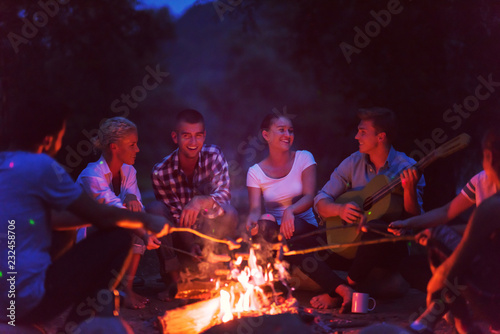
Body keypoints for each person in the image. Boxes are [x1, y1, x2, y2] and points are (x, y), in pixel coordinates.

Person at [0, 100, 169, 331]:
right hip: (27, 300)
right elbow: (103, 216)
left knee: (66, 227)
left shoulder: (6, 165)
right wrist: (147, 221)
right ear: (49, 139)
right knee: (119, 235)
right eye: (61, 135)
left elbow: (58, 219)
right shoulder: (41, 166)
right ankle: (78, 325)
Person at [313, 107, 425, 306]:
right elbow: (322, 198)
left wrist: (409, 190)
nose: (356, 137)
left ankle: (337, 294)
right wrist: (339, 210)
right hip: (351, 245)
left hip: (385, 250)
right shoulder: (352, 162)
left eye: (363, 132)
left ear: (381, 137)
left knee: (375, 227)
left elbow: (415, 219)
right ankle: (350, 285)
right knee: (301, 242)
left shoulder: (406, 166)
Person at [246, 113, 354, 313]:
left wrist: (290, 210)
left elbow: (309, 196)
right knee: (264, 223)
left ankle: (338, 289)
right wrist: (251, 223)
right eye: (281, 130)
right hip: (276, 241)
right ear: (266, 135)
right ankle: (273, 287)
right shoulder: (255, 171)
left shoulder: (304, 157)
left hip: (306, 231)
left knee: (292, 230)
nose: (287, 134)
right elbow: (254, 210)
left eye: (290, 131)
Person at [406, 127, 500, 334]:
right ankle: (457, 323)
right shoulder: (483, 189)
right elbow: (450, 213)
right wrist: (410, 222)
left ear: (489, 157)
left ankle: (453, 322)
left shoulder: (492, 207)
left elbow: (458, 262)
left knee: (438, 238)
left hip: (494, 299)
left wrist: (434, 286)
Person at [149, 109, 237, 301]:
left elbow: (224, 195)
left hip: (209, 235)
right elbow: (172, 214)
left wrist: (200, 200)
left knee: (229, 212)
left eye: (198, 136)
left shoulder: (213, 155)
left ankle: (213, 275)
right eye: (186, 136)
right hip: (179, 240)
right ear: (175, 137)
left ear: (204, 136)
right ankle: (174, 282)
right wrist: (190, 245)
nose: (193, 142)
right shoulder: (160, 172)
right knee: (155, 210)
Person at [77, 117, 160, 309]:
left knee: (138, 213)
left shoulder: (129, 171)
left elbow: (136, 208)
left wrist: (132, 197)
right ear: (114, 147)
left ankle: (126, 287)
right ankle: (99, 286)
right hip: (87, 240)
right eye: (132, 145)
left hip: (110, 231)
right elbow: (115, 210)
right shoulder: (92, 176)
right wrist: (145, 234)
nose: (137, 149)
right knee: (132, 226)